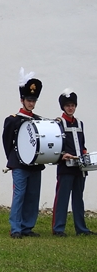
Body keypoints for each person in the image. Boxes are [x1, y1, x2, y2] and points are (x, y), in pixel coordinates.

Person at [2, 68, 45, 239]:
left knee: (33, 196)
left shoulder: (38, 120)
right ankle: (16, 227)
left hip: (35, 164)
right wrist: (12, 158)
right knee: (19, 195)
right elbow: (6, 141)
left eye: (33, 100)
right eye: (28, 100)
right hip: (18, 164)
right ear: (22, 100)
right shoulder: (13, 120)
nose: (31, 103)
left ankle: (27, 226)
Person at [52, 89, 93, 236]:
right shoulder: (58, 123)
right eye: (68, 105)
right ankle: (58, 229)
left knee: (78, 198)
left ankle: (81, 229)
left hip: (80, 167)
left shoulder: (79, 123)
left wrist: (84, 153)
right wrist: (63, 155)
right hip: (65, 167)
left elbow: (82, 144)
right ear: (63, 107)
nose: (70, 108)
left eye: (73, 105)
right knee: (62, 198)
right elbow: (54, 145)